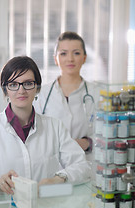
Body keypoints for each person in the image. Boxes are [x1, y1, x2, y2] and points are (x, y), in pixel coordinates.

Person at [0, 56, 91, 196]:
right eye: (13, 84)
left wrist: (59, 179)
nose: (21, 90)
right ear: (5, 90)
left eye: (28, 83)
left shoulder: (55, 127)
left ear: (37, 88)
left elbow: (82, 167)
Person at [33, 31, 95, 159]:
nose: (70, 59)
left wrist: (87, 142)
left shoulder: (97, 93)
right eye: (63, 53)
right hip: (51, 165)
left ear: (84, 58)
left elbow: (107, 133)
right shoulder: (41, 95)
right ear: (55, 59)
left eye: (76, 53)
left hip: (86, 163)